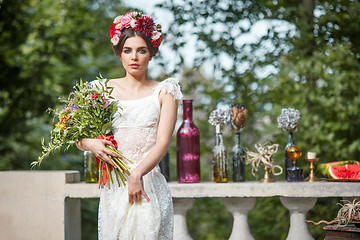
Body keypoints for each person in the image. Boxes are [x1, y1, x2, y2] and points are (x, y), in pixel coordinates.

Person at [76, 11, 183, 239]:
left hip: (148, 183)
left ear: (151, 54)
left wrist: (137, 174)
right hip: (114, 186)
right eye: (128, 50)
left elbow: (163, 143)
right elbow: (77, 136)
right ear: (119, 53)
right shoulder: (101, 90)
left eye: (141, 50)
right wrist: (90, 144)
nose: (134, 57)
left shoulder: (165, 91)